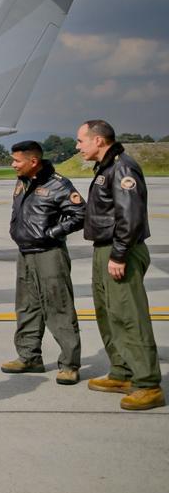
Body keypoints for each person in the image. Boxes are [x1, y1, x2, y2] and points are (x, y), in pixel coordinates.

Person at [76, 120, 163, 411]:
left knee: (129, 316)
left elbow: (131, 215)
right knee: (109, 314)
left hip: (119, 249)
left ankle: (148, 384)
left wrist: (119, 254)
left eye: (81, 140)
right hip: (105, 248)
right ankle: (122, 372)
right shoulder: (106, 167)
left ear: (98, 140)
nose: (78, 146)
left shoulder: (122, 167)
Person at [1, 140, 86, 384]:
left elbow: (80, 213)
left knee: (58, 307)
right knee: (27, 307)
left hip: (50, 254)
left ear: (33, 161)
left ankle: (69, 364)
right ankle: (29, 357)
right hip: (25, 253)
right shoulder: (22, 182)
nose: (13, 164)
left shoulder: (58, 184)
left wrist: (52, 233)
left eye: (17, 160)